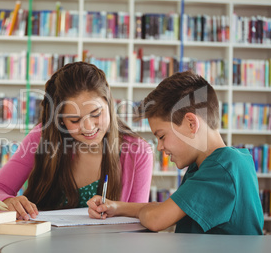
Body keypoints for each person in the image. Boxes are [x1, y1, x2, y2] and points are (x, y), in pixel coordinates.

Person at [87, 70, 264, 235]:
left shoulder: (222, 167)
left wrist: (150, 212)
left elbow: (156, 218)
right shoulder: (214, 164)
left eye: (162, 136)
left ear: (191, 124)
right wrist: (116, 207)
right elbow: (165, 208)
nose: (159, 147)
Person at [0, 61, 153, 220]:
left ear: (109, 104)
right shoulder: (41, 138)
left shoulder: (138, 151)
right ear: (60, 120)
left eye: (96, 114)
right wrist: (7, 200)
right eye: (75, 120)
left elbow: (138, 219)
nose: (88, 127)